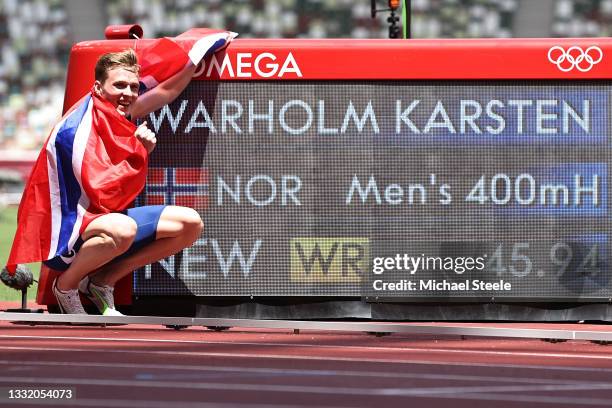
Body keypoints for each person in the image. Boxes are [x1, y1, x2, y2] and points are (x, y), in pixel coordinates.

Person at [44, 48, 206, 315]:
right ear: (98, 87)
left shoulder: (122, 114)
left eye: (133, 87)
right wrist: (140, 153)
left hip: (107, 222)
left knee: (190, 224)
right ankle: (65, 286)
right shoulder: (76, 129)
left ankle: (102, 281)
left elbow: (166, 93)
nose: (128, 93)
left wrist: (194, 59)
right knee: (123, 229)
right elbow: (103, 193)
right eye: (119, 85)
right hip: (67, 233)